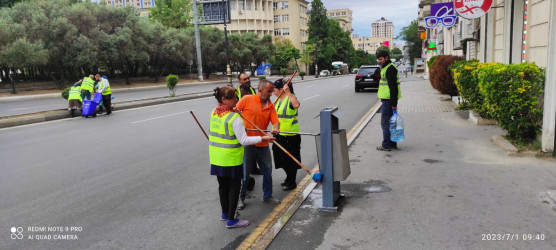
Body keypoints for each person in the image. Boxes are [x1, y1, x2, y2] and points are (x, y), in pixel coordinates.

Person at [209, 86, 275, 228]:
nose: (236, 100)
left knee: (222, 186)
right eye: (233, 97)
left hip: (216, 157)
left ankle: (225, 213)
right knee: (234, 187)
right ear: (224, 99)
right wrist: (263, 138)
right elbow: (244, 140)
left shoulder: (214, 112)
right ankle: (232, 220)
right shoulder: (234, 118)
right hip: (231, 158)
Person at [236, 79, 281, 209]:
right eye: (269, 91)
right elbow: (234, 113)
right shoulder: (247, 99)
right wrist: (237, 114)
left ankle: (267, 196)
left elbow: (275, 121)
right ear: (260, 90)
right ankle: (241, 198)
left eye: (273, 91)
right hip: (248, 143)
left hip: (263, 143)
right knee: (245, 173)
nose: (272, 94)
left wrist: (276, 128)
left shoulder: (270, 105)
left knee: (267, 171)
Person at [271, 78, 301, 191]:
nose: (273, 92)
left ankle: (291, 181)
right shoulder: (278, 100)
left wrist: (288, 92)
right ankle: (288, 177)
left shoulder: (290, 98)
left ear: (281, 89)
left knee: (290, 160)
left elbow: (297, 105)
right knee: (280, 159)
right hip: (279, 134)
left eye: (275, 89)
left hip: (291, 135)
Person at [236, 72, 264, 176]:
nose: (247, 80)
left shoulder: (252, 89)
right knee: (246, 147)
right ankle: (246, 170)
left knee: (254, 145)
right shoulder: (237, 92)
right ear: (240, 81)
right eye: (245, 79)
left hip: (254, 122)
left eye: (248, 78)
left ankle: (254, 168)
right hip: (243, 124)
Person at [376, 50, 401, 151]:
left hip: (388, 100)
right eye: (378, 59)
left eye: (381, 59)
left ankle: (386, 145)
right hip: (388, 100)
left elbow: (393, 88)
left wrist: (394, 104)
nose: (379, 61)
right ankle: (392, 143)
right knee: (391, 123)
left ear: (386, 58)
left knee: (385, 123)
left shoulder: (390, 69)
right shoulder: (387, 67)